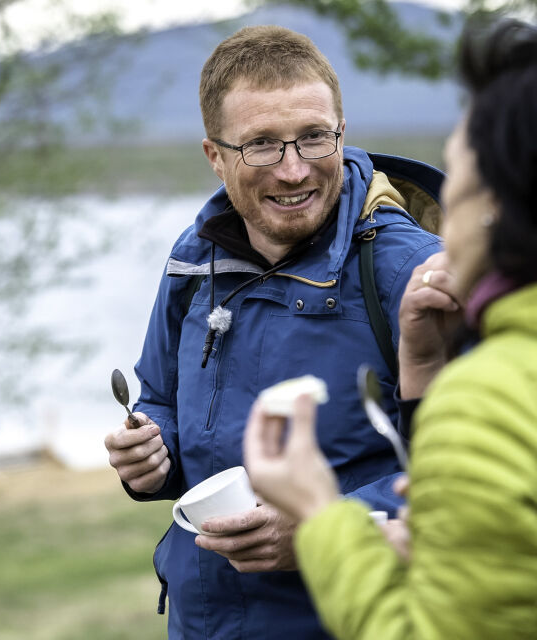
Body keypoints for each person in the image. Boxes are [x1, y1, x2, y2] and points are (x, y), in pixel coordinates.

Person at [104, 25, 442, 639]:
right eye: (261, 145)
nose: (293, 171)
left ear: (342, 130)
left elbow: (483, 474)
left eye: (314, 138)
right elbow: (159, 400)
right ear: (216, 157)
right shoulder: (194, 259)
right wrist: (151, 454)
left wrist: (327, 526)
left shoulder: (413, 272)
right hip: (202, 623)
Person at [243, 17, 537, 640]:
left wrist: (321, 514)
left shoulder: (489, 400)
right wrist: (426, 374)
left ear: (495, 208)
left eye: (457, 179)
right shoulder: (195, 256)